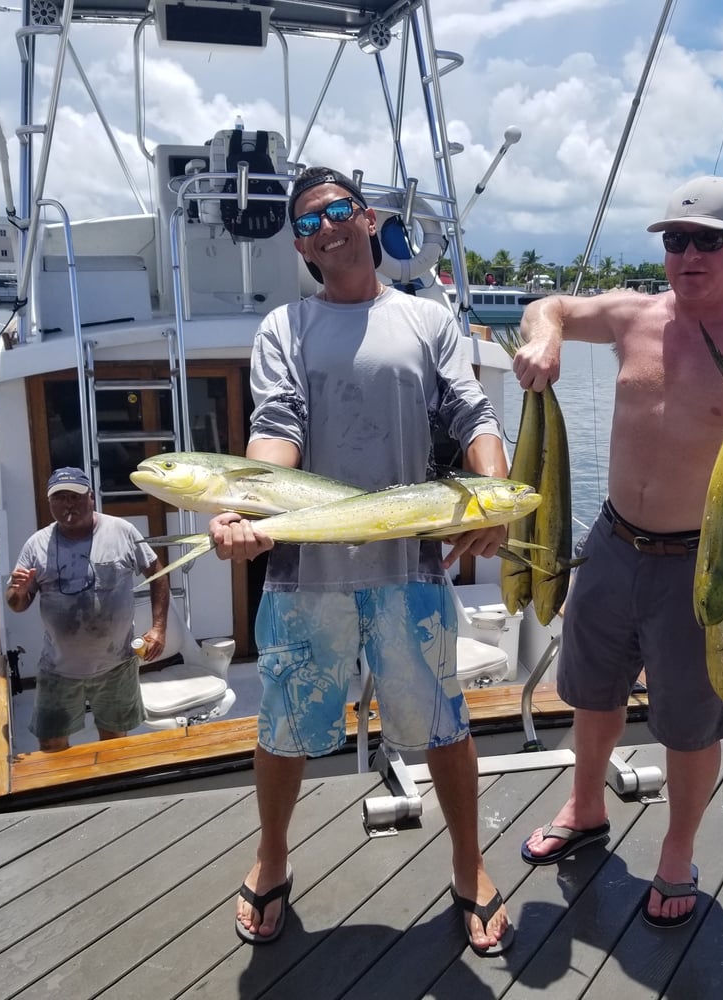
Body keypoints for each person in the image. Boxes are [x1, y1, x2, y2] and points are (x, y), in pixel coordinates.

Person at [209, 166, 514, 955]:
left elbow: (470, 410)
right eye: (308, 221)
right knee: (280, 732)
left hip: (408, 571)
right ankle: (272, 858)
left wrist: (495, 494)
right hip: (305, 578)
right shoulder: (285, 327)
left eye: (339, 210)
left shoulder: (426, 319)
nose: (326, 227)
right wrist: (249, 507)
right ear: (301, 243)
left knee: (444, 728)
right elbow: (277, 425)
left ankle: (469, 863)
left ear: (369, 218)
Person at [515, 176, 723, 927]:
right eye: (675, 240)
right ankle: (585, 806)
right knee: (591, 692)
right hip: (611, 541)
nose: (687, 254)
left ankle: (676, 852)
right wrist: (546, 335)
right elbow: (549, 306)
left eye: (707, 241)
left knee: (691, 724)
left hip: (708, 564)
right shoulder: (633, 315)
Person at [6, 467, 170, 751]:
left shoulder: (122, 531)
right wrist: (17, 592)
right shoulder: (36, 545)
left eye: (75, 496)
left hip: (117, 665)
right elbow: (18, 605)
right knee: (51, 746)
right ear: (50, 503)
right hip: (59, 669)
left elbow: (158, 573)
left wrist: (158, 628)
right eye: (60, 498)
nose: (68, 504)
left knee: (115, 745)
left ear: (91, 497)